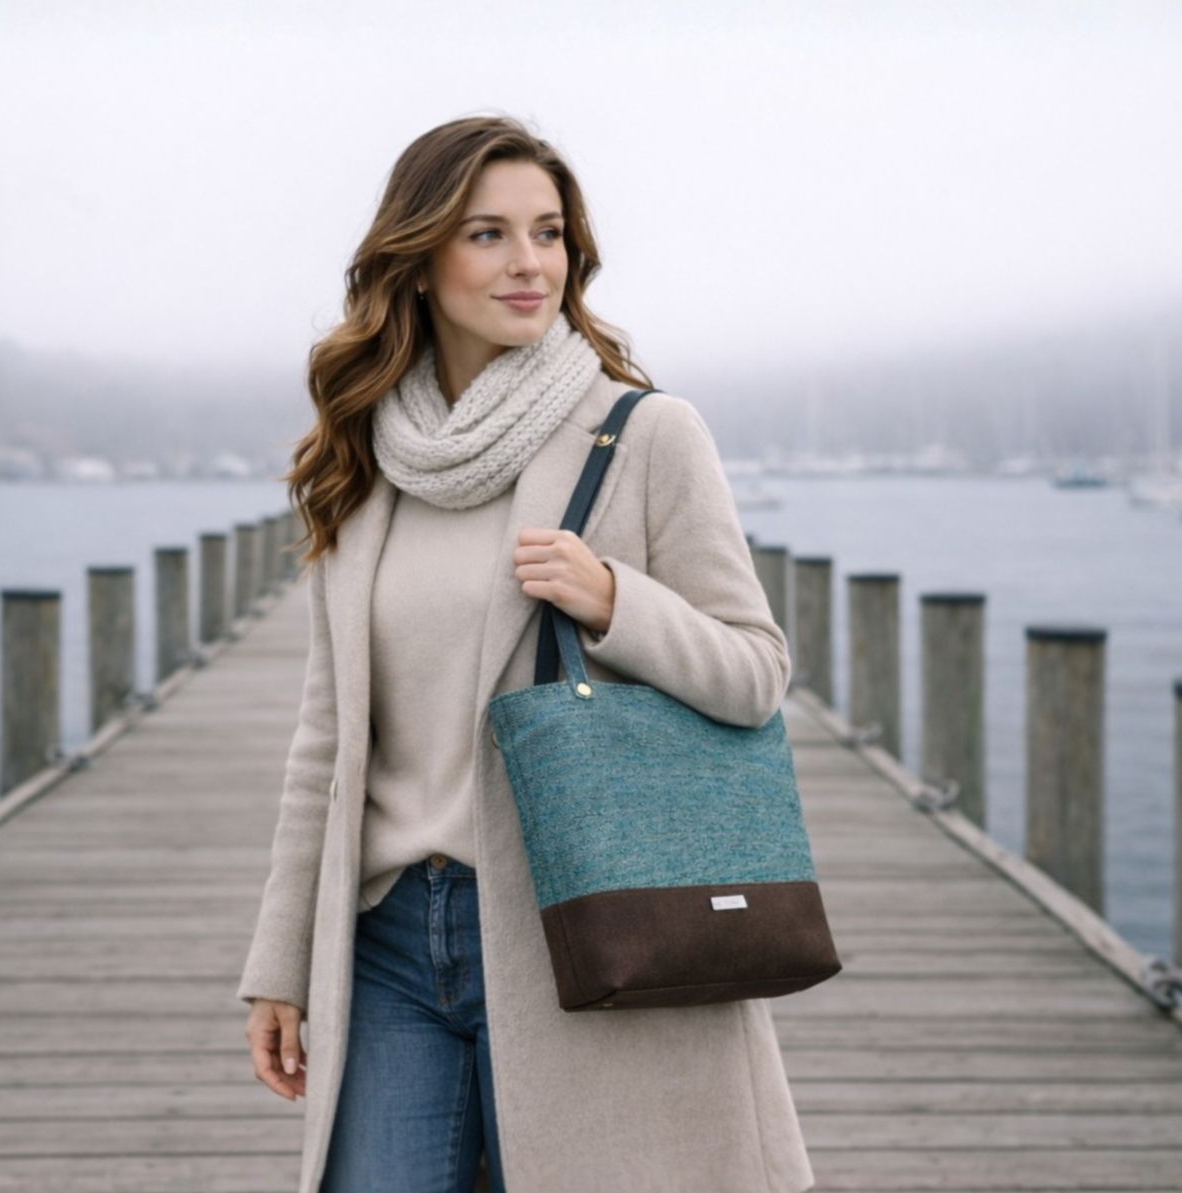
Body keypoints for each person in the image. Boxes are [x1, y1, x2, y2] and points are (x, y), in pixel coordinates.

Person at [238, 115, 815, 1193]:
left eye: (547, 233)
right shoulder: (363, 458)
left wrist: (612, 601)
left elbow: (754, 673)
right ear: (417, 261)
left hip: (575, 924)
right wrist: (280, 962)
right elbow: (325, 742)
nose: (528, 263)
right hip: (389, 940)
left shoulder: (644, 434)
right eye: (488, 234)